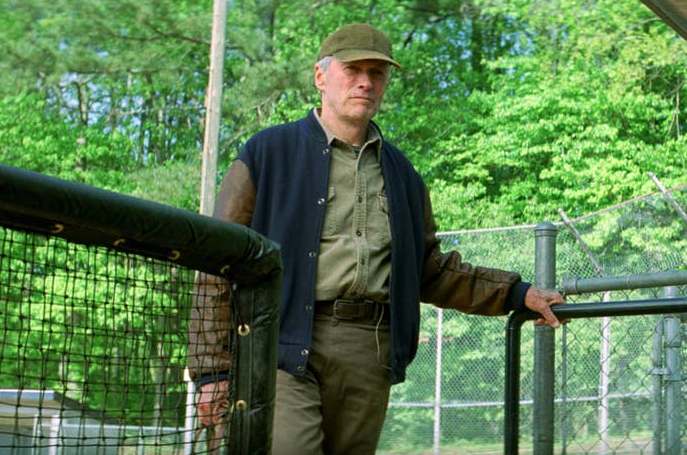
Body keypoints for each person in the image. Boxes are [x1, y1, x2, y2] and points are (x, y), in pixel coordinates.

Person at [187, 23, 565, 455]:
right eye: (353, 69)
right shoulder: (266, 153)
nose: (366, 81)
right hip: (280, 342)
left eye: (377, 72)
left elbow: (431, 270)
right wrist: (211, 371)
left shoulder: (404, 175)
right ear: (321, 77)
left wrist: (518, 293)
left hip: (370, 349)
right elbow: (218, 259)